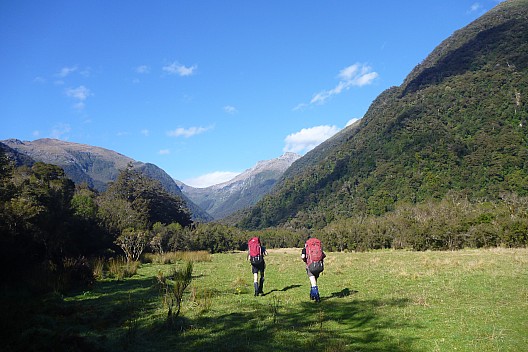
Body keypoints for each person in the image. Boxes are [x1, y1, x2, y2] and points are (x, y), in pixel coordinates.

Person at [301, 237, 326, 302]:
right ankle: (312, 296)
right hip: (319, 266)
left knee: (313, 283)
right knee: (314, 281)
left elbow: (303, 257)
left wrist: (305, 260)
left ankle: (317, 298)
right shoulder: (318, 248)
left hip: (310, 266)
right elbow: (324, 255)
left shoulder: (305, 249)